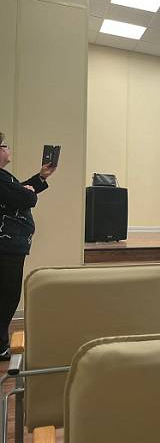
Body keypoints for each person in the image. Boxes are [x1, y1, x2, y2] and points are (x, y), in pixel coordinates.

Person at [0, 132, 56, 360]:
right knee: (6, 296)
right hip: (6, 247)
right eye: (4, 146)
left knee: (7, 295)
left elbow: (17, 193)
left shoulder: (4, 178)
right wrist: (29, 194)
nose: (7, 149)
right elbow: (24, 198)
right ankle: (1, 346)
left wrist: (40, 178)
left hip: (10, 246)